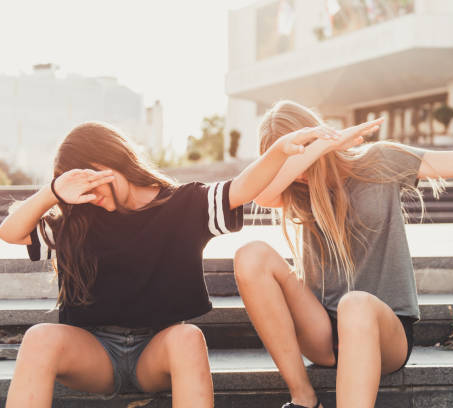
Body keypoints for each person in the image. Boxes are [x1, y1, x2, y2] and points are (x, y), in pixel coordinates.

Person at [233, 68, 453, 408]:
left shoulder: (379, 161)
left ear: (315, 136)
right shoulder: (290, 189)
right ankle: (304, 398)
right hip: (319, 330)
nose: (298, 170)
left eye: (300, 151)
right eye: (283, 159)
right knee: (250, 255)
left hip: (382, 329)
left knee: (355, 303)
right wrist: (308, 152)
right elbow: (259, 195)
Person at [0, 119, 380, 408]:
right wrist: (53, 193)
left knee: (188, 338)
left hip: (156, 351)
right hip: (95, 353)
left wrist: (280, 151)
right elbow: (11, 233)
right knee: (38, 338)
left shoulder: (183, 205)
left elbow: (243, 187)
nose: (88, 194)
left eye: (88, 180)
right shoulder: (78, 222)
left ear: (109, 162)